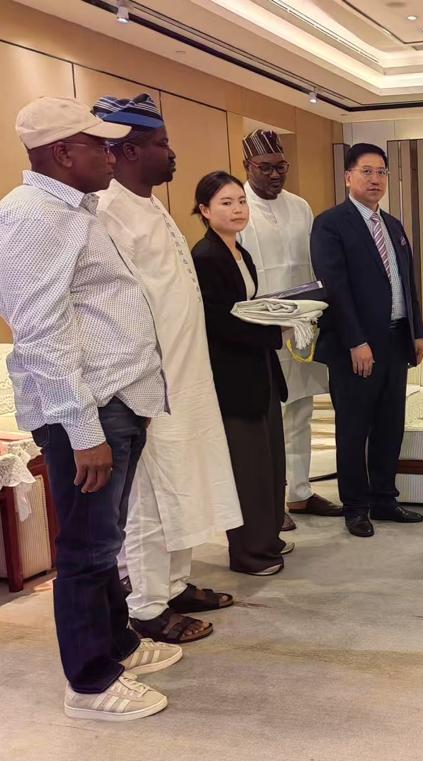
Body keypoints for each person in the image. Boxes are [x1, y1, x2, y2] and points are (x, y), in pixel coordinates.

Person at [0, 97, 179, 720]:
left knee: (106, 539)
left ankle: (119, 645)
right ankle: (90, 682)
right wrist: (83, 429)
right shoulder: (33, 217)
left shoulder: (72, 210)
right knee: (88, 550)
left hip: (117, 398)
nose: (112, 155)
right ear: (63, 153)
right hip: (86, 410)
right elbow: (41, 333)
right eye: (100, 145)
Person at [92, 94, 241, 643]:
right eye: (162, 144)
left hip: (187, 380)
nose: (172, 153)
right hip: (149, 388)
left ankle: (175, 584)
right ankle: (147, 606)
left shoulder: (150, 204)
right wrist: (142, 388)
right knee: (152, 500)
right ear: (129, 150)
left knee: (184, 485)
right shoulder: (108, 212)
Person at [310, 143, 423, 538]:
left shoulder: (392, 225)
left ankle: (384, 499)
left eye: (381, 172)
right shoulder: (330, 224)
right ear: (348, 177)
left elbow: (407, 283)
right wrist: (355, 341)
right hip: (356, 347)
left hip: (396, 340)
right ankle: (356, 507)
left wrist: (417, 331)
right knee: (354, 428)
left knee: (389, 426)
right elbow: (335, 289)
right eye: (366, 171)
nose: (375, 179)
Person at [239, 129, 342, 530]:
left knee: (301, 409)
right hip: (261, 327)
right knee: (270, 417)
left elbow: (311, 264)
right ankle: (269, 500)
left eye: (281, 166)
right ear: (247, 166)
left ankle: (298, 492)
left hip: (301, 325)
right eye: (265, 167)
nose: (274, 174)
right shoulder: (237, 204)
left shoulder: (300, 206)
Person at [191, 171, 291, 575]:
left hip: (259, 368)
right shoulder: (205, 257)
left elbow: (250, 308)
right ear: (204, 210)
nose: (237, 209)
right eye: (226, 203)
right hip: (233, 374)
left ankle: (268, 538)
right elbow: (218, 321)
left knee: (270, 461)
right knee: (247, 468)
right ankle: (248, 553)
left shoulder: (241, 252)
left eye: (241, 201)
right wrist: (274, 329)